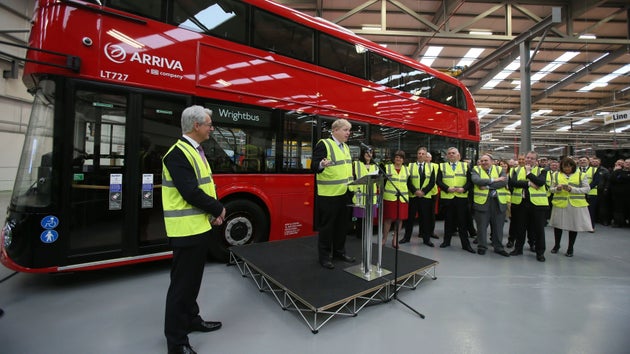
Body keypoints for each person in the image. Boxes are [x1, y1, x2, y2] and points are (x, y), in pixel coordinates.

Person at [162, 105, 227, 354]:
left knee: (192, 283)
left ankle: (191, 319)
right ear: (196, 126)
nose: (212, 128)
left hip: (198, 227)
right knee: (181, 287)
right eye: (209, 124)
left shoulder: (195, 150)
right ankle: (176, 343)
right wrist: (218, 209)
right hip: (185, 230)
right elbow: (190, 192)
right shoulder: (178, 153)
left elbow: (204, 187)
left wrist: (212, 214)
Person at [312, 119, 355, 269]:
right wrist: (321, 165)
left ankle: (339, 252)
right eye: (345, 130)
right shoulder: (324, 144)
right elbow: (314, 166)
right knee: (327, 228)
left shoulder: (346, 147)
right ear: (335, 130)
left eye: (349, 130)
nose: (348, 133)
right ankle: (324, 257)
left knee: (342, 227)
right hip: (328, 195)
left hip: (344, 194)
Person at [508, 151, 549, 262]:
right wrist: (529, 183)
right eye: (527, 157)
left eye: (531, 158)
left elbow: (540, 182)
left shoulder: (542, 171)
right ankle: (518, 248)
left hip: (537, 204)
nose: (528, 160)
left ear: (536, 161)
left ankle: (540, 252)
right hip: (520, 203)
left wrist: (529, 174)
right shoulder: (515, 170)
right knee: (520, 228)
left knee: (538, 230)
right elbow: (513, 183)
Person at [549, 157, 593, 257]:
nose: (567, 169)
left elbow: (586, 189)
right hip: (560, 204)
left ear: (573, 166)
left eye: (569, 167)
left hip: (575, 204)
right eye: (565, 167)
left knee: (573, 226)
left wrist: (572, 189)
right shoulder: (556, 175)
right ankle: (556, 245)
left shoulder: (581, 175)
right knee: (558, 226)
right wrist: (557, 189)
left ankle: (570, 248)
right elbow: (551, 189)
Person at [436, 147, 475, 253]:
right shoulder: (442, 166)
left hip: (461, 198)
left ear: (458, 155)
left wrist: (464, 189)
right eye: (449, 153)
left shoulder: (465, 166)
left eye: (453, 153)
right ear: (447, 156)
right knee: (448, 221)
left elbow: (470, 182)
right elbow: (438, 181)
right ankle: (446, 241)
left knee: (462, 222)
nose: (451, 155)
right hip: (448, 198)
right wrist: (447, 188)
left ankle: (465, 245)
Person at [470, 154, 510, 256]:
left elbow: (504, 182)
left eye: (486, 160)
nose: (483, 163)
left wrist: (487, 186)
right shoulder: (476, 169)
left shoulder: (500, 169)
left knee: (498, 227)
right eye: (482, 161)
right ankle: (482, 246)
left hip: (498, 202)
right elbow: (477, 181)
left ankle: (498, 247)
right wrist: (494, 180)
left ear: (492, 161)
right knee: (481, 227)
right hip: (482, 202)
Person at [401, 146, 435, 246]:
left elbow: (432, 182)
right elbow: (408, 181)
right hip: (413, 196)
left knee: (425, 219)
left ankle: (426, 239)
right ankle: (406, 238)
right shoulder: (410, 166)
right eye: (419, 153)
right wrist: (415, 191)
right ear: (417, 155)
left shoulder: (431, 167)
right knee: (410, 219)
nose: (421, 155)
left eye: (423, 154)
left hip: (425, 197)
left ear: (426, 156)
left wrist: (423, 191)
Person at [382, 150, 410, 249]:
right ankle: (384, 238)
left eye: (401, 157)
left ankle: (395, 239)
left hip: (402, 198)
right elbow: (381, 182)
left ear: (403, 160)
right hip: (390, 197)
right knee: (388, 219)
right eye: (397, 157)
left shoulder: (407, 170)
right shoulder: (387, 168)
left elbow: (409, 183)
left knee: (399, 219)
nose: (398, 159)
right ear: (394, 158)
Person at [350, 146, 378, 239]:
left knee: (369, 219)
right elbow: (352, 177)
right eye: (366, 152)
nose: (369, 154)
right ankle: (359, 237)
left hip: (371, 196)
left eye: (371, 152)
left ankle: (368, 236)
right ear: (363, 153)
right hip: (360, 196)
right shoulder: (356, 164)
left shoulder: (375, 166)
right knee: (360, 220)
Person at [609, 158, 630, 228]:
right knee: (618, 209)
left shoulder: (619, 173)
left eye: (629, 163)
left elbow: (622, 179)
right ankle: (618, 222)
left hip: (628, 195)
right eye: (626, 162)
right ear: (623, 164)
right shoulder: (617, 171)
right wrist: (616, 172)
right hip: (618, 195)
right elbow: (612, 179)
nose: (627, 164)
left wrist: (621, 178)